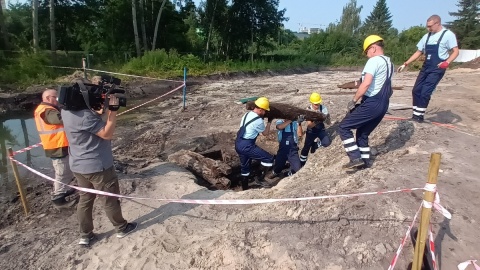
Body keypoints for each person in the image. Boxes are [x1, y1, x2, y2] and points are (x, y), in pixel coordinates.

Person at [61, 84, 137, 246]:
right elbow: (107, 134)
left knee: (85, 200)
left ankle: (85, 235)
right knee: (110, 199)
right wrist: (113, 112)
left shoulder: (66, 112)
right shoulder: (85, 118)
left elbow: (91, 115)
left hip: (78, 166)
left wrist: (102, 106)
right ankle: (121, 228)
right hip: (98, 166)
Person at [338, 35, 394, 169]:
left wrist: (354, 100)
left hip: (372, 103)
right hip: (383, 104)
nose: (367, 55)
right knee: (362, 133)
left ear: (373, 48)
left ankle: (355, 157)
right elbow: (389, 89)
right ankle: (365, 162)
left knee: (343, 127)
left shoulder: (374, 61)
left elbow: (366, 83)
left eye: (367, 52)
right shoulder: (389, 63)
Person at [397, 15, 459, 122]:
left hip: (437, 68)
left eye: (430, 26)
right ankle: (415, 115)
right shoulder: (427, 36)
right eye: (427, 26)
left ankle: (419, 117)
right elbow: (418, 52)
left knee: (425, 92)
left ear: (437, 23)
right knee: (416, 90)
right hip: (426, 67)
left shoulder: (448, 35)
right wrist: (405, 64)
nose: (428, 28)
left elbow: (456, 51)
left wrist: (447, 62)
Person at [34, 89, 76, 208]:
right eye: (55, 97)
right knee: (62, 172)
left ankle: (64, 189)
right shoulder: (46, 110)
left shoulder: (48, 109)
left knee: (66, 170)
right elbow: (59, 119)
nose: (58, 100)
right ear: (47, 98)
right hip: (56, 146)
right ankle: (58, 198)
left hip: (59, 145)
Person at [235, 97, 275, 190]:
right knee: (269, 159)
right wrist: (269, 122)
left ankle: (244, 189)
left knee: (245, 168)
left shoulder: (247, 114)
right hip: (247, 145)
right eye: (264, 111)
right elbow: (265, 133)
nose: (265, 113)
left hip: (238, 143)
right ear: (260, 110)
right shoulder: (258, 121)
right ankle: (259, 179)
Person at [299, 92, 331, 166]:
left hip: (320, 129)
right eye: (315, 104)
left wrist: (327, 118)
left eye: (318, 104)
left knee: (326, 142)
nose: (317, 106)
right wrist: (318, 121)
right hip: (311, 131)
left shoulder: (323, 108)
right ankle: (301, 163)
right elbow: (309, 125)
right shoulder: (308, 110)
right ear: (311, 103)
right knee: (306, 147)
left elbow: (328, 123)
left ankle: (315, 145)